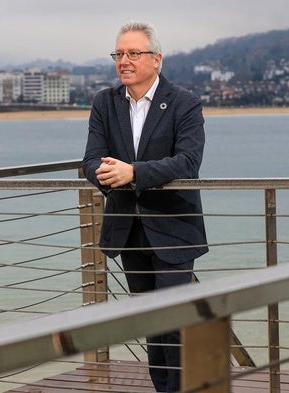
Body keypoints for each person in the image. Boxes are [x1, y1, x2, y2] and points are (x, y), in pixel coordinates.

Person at [82, 21, 208, 392]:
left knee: (174, 321)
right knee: (149, 323)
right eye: (119, 54)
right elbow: (90, 160)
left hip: (174, 228)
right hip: (128, 229)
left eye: (133, 53)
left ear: (156, 59)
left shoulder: (185, 102)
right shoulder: (104, 103)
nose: (124, 60)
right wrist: (106, 173)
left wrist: (133, 172)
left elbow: (187, 162)